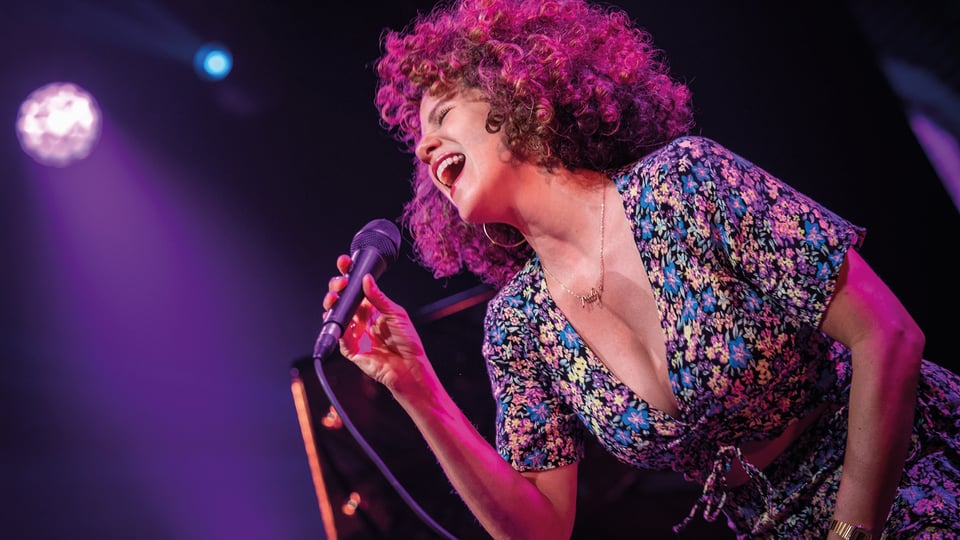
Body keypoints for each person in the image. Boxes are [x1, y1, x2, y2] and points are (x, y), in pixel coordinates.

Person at [321, 0, 960, 537]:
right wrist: (415, 387)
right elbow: (541, 529)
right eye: (418, 143)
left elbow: (888, 336)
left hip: (902, 471)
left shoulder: (686, 184)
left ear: (518, 95)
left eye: (442, 117)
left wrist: (851, 531)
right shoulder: (518, 326)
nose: (426, 147)